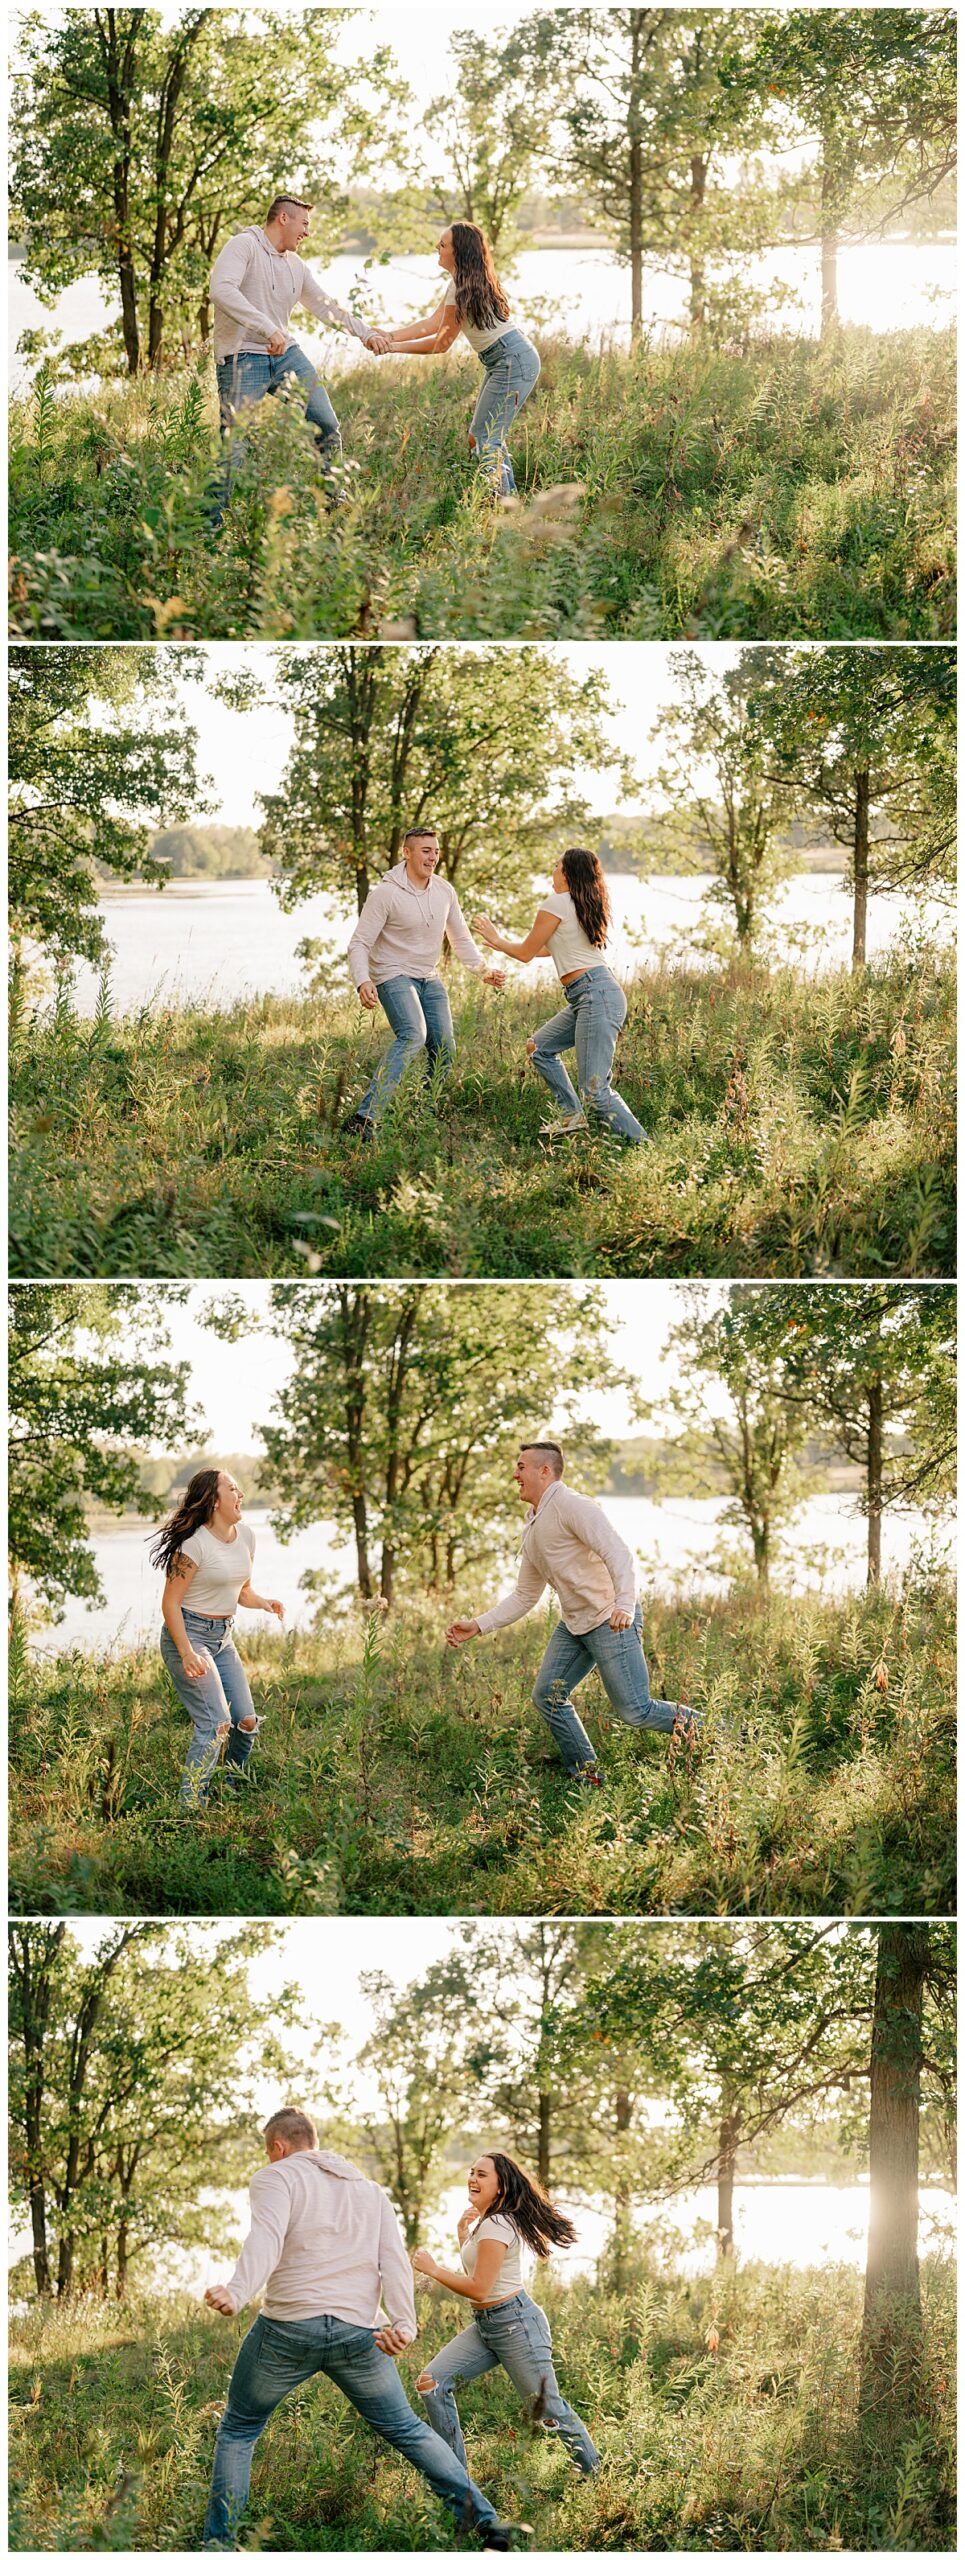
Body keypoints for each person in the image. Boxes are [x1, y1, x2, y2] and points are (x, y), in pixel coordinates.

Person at [202, 2108, 515, 2551]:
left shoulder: (275, 2177)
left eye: (269, 2152)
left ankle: (217, 2546)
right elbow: (393, 2257)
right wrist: (403, 2322)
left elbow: (265, 2237)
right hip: (358, 2332)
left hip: (288, 2329)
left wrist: (237, 2291)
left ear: (278, 2147)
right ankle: (487, 2526)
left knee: (238, 2430)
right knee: (407, 2428)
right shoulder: (370, 2191)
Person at [447, 1442, 698, 1785]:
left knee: (635, 1710)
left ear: (544, 1471)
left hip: (611, 1619)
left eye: (521, 1467)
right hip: (575, 1625)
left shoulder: (572, 1506)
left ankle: (720, 1732)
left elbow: (618, 1553)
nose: (514, 1474)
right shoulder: (534, 1524)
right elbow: (524, 1595)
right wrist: (477, 1625)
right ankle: (589, 1777)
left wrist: (624, 1604)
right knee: (548, 1697)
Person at [413, 2149, 600, 2484]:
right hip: (487, 2326)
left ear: (500, 2187)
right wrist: (462, 2233)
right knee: (432, 2383)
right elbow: (480, 2270)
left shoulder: (498, 2223)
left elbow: (480, 2288)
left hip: (516, 2325)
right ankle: (457, 2482)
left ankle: (597, 2477)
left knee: (548, 2411)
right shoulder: (489, 2223)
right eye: (471, 2172)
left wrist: (434, 2270)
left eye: (482, 2174)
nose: (472, 2178)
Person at [208, 193, 389, 525]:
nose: (307, 232)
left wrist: (365, 333)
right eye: (304, 224)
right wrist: (265, 328)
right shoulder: (243, 246)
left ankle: (335, 504)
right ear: (283, 219)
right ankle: (208, 527)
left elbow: (326, 306)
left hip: (285, 356)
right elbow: (220, 289)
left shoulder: (295, 265)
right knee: (233, 446)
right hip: (242, 357)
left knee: (327, 424)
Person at [474, 848, 646, 1144]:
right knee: (538, 1047)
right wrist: (502, 945)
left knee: (595, 1091)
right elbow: (546, 948)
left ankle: (644, 1147)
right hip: (590, 995)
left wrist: (497, 938)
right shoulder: (579, 903)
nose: (552, 871)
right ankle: (572, 1115)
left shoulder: (557, 902)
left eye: (556, 865)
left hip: (596, 994)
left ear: (566, 873)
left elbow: (527, 953)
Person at [344, 826, 504, 1139]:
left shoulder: (444, 891)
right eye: (425, 851)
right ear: (407, 853)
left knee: (445, 1047)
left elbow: (459, 936)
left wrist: (482, 970)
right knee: (413, 1034)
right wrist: (363, 981)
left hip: (428, 977)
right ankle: (364, 1119)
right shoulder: (385, 894)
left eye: (435, 851)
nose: (432, 857)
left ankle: (423, 1111)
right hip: (392, 973)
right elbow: (359, 943)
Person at [376, 222, 541, 496]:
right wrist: (391, 336)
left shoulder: (463, 286)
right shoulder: (460, 283)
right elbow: (432, 323)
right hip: (506, 358)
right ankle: (509, 506)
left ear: (459, 251)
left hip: (512, 359)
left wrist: (393, 349)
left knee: (485, 439)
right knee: (485, 437)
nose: (437, 249)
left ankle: (503, 509)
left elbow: (441, 344)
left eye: (443, 244)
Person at [151, 1468, 283, 1808]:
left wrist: (265, 1602)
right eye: (233, 1489)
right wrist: (186, 1652)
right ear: (213, 1500)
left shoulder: (247, 1537)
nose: (241, 1495)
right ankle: (189, 1807)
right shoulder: (193, 1545)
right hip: (189, 1635)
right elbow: (170, 1603)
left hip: (223, 1640)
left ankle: (229, 1789)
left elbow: (243, 1592)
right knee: (216, 1724)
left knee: (246, 1722)